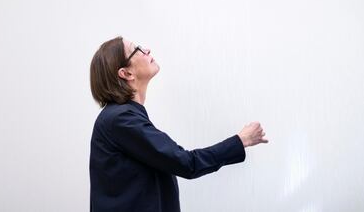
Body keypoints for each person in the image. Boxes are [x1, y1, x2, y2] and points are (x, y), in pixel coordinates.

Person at [89, 36, 269, 212]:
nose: (147, 50)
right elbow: (186, 163)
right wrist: (240, 140)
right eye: (137, 49)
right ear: (126, 73)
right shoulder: (121, 119)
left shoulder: (122, 117)